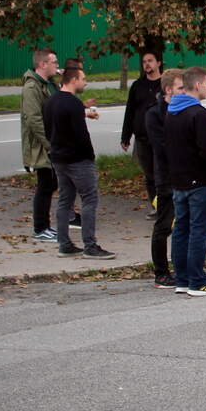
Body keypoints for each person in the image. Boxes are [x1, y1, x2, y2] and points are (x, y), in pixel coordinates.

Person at [42, 64, 115, 260]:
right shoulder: (73, 103)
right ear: (73, 80)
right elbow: (81, 135)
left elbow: (48, 130)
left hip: (58, 157)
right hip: (78, 159)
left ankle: (64, 243)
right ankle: (90, 245)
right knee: (89, 199)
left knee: (65, 200)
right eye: (83, 79)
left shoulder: (50, 102)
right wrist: (89, 156)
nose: (85, 82)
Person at [166, 67, 206, 297]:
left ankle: (182, 277)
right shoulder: (198, 114)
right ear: (198, 85)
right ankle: (197, 280)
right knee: (199, 231)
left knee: (181, 229)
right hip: (200, 180)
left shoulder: (172, 111)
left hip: (179, 179)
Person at [145, 69, 184, 289]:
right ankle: (161, 271)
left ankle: (185, 268)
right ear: (169, 90)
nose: (184, 91)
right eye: (180, 88)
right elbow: (162, 147)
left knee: (186, 224)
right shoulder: (155, 114)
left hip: (185, 177)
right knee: (164, 225)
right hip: (167, 178)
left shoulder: (183, 109)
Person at [21, 47, 61, 242]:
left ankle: (45, 226)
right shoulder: (32, 87)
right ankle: (40, 227)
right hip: (41, 146)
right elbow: (34, 119)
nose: (57, 65)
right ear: (42, 64)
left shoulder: (49, 84)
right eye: (54, 62)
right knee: (45, 184)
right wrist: (49, 144)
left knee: (51, 183)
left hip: (50, 142)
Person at [121, 50, 163, 216]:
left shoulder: (164, 84)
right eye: (144, 61)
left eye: (150, 60)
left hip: (160, 137)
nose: (147, 64)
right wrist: (126, 136)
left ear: (158, 63)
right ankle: (155, 205)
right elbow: (130, 111)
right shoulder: (138, 86)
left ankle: (165, 205)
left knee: (162, 172)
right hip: (142, 137)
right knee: (149, 174)